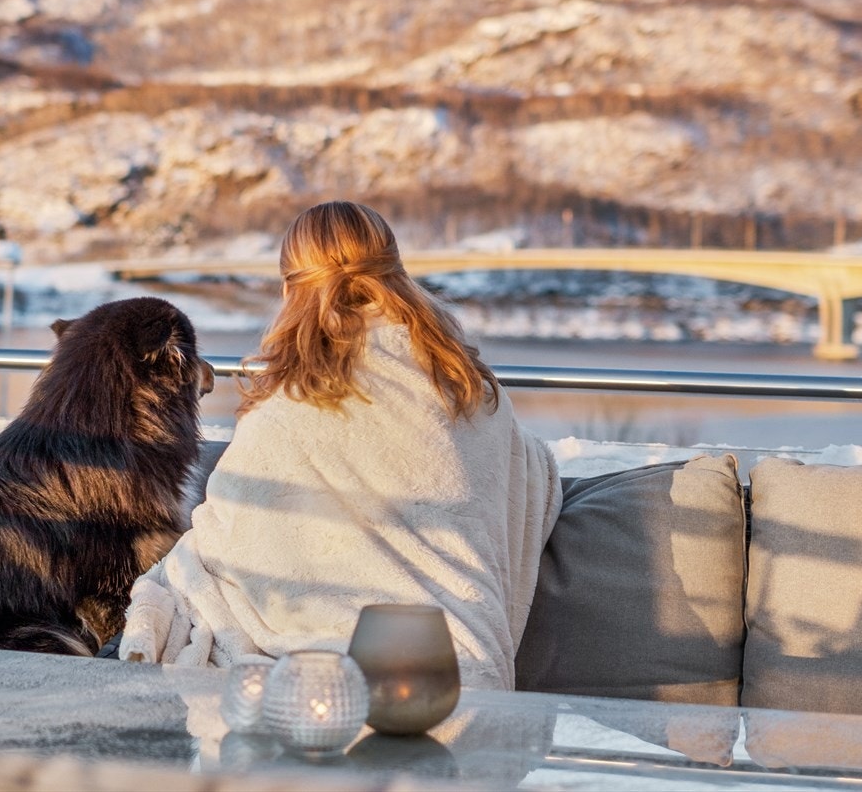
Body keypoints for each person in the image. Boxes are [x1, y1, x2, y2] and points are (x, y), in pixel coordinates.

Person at [119, 200, 560, 690]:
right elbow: (526, 469)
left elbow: (231, 538)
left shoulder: (287, 409)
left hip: (328, 691)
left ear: (290, 288)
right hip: (463, 675)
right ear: (397, 272)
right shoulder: (469, 389)